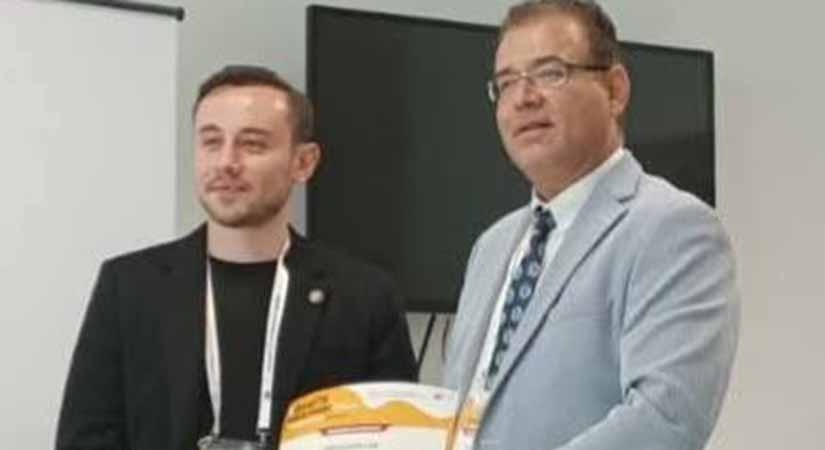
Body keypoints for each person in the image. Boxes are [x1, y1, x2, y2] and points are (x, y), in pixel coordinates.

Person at [56, 65, 417, 450]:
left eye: (252, 144)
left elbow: (401, 441)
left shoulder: (364, 297)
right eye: (211, 142)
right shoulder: (129, 287)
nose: (226, 161)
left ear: (304, 162)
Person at [443, 1, 739, 449]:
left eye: (550, 73)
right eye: (506, 83)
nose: (523, 98)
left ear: (615, 90)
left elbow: (666, 420)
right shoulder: (491, 246)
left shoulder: (675, 228)